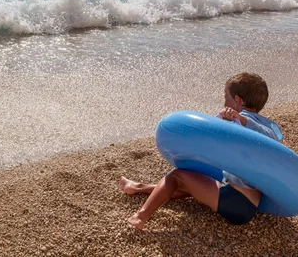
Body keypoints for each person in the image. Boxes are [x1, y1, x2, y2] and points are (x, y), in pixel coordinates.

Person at [120, 72, 283, 229]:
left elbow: (271, 139)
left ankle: (140, 217)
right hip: (241, 200)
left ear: (237, 100)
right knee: (188, 187)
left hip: (237, 201)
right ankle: (137, 187)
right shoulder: (250, 125)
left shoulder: (254, 125)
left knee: (176, 177)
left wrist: (239, 118)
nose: (224, 102)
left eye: (226, 97)